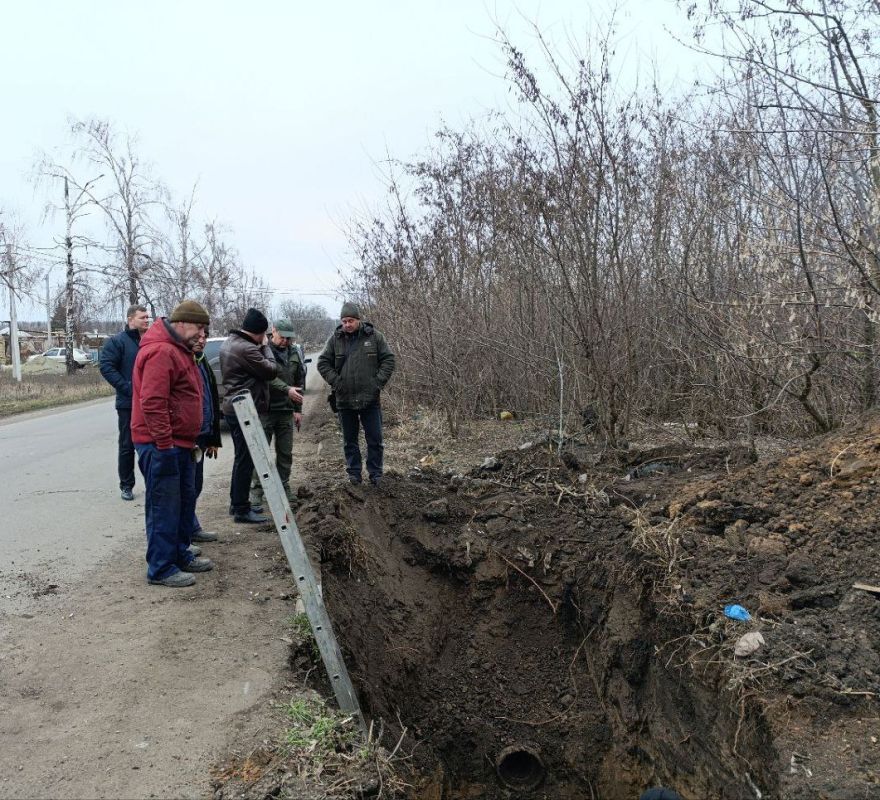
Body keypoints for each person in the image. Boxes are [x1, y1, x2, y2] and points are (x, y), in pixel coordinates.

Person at [131, 300, 214, 588]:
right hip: (160, 445)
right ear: (181, 324)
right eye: (198, 328)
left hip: (181, 443)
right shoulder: (161, 351)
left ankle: (180, 554)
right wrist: (164, 445)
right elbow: (153, 403)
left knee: (182, 503)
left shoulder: (180, 349)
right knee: (164, 506)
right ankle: (161, 568)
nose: (201, 335)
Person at [317, 301, 395, 486]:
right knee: (349, 441)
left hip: (370, 399)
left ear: (358, 320)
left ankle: (375, 474)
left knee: (375, 439)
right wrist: (337, 382)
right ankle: (354, 474)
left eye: (350, 321)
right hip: (344, 400)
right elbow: (322, 363)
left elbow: (389, 360)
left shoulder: (374, 337)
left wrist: (377, 383)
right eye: (344, 321)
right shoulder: (335, 339)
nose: (347, 324)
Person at [219, 307, 285, 523]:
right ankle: (241, 509)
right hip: (244, 410)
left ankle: (237, 503)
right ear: (258, 332)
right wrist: (265, 347)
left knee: (242, 458)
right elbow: (271, 370)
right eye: (263, 334)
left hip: (234, 407)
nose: (264, 338)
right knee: (246, 460)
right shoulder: (247, 348)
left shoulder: (230, 342)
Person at [250, 319, 305, 506]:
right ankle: (257, 491)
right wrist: (287, 389)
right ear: (273, 331)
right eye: (282, 337)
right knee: (262, 453)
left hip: (286, 411)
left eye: (289, 338)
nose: (285, 341)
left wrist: (298, 410)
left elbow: (299, 381)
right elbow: (266, 377)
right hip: (265, 410)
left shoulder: (294, 352)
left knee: (285, 453)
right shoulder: (263, 351)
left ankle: (283, 486)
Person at [99, 304, 150, 501]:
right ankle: (127, 485)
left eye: (147, 317)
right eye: (142, 317)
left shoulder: (151, 340)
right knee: (128, 445)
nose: (146, 320)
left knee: (151, 445)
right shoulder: (118, 342)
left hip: (152, 402)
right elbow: (106, 366)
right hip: (128, 403)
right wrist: (128, 388)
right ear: (130, 320)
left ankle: (153, 483)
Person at [184, 327, 221, 548]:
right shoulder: (185, 362)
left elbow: (211, 399)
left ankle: (191, 527)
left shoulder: (202, 360)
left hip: (201, 435)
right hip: (187, 437)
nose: (202, 340)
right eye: (198, 337)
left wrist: (212, 437)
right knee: (186, 489)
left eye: (205, 336)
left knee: (195, 486)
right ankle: (184, 536)